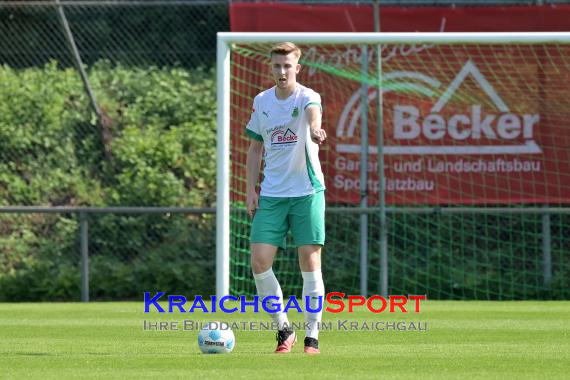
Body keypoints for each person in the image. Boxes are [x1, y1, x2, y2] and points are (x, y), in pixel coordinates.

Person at [245, 42, 326, 354]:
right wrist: (250, 190)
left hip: (307, 191)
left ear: (297, 68)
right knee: (259, 261)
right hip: (272, 195)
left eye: (287, 66)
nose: (282, 71)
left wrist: (316, 129)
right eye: (277, 66)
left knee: (309, 260)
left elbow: (313, 115)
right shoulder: (262, 101)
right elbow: (254, 150)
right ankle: (284, 328)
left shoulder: (307, 96)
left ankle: (312, 337)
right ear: (270, 67)